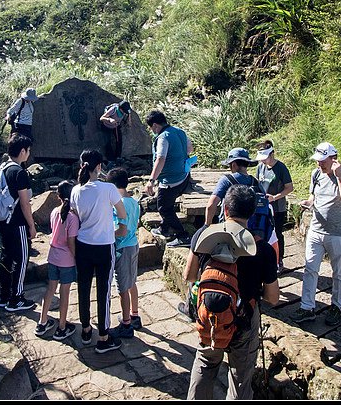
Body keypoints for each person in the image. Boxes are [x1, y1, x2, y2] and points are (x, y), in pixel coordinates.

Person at [185, 185, 280, 400]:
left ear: (225, 209)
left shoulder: (203, 235)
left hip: (210, 315)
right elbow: (273, 298)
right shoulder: (262, 249)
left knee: (205, 364)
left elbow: (190, 276)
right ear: (252, 213)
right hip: (245, 320)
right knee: (240, 378)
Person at [291, 142, 341, 326]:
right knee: (310, 268)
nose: (320, 164)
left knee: (339, 272)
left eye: (323, 161)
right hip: (316, 229)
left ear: (333, 159)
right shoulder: (316, 174)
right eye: (318, 161)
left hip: (338, 232)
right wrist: (308, 202)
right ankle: (307, 307)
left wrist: (339, 177)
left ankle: (337, 306)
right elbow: (314, 196)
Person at [71, 149, 129, 353]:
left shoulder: (75, 191)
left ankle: (86, 329)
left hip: (83, 245)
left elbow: (77, 216)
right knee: (104, 291)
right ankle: (103, 337)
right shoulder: (109, 189)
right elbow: (122, 213)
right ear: (99, 167)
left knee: (83, 288)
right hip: (104, 245)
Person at [0, 133, 38, 312]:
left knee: (7, 256)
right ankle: (16, 298)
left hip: (3, 220)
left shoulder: (4, 168)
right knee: (21, 258)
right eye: (28, 150)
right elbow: (24, 202)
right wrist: (31, 225)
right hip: (17, 222)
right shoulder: (19, 172)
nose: (28, 154)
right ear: (22, 151)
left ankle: (4, 296)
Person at [35, 180, 79, 341]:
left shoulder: (54, 212)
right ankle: (62, 326)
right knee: (65, 292)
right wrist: (76, 258)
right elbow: (70, 241)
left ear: (58, 196)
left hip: (52, 257)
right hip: (66, 260)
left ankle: (42, 321)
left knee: (50, 289)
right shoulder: (73, 218)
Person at [144, 110, 194, 248]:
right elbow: (189, 148)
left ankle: (182, 236)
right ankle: (164, 228)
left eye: (151, 128)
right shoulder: (179, 131)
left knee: (164, 208)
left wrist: (151, 181)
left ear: (154, 125)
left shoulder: (163, 137)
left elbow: (160, 159)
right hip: (184, 175)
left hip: (171, 180)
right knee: (168, 203)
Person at [107, 167, 143, 339]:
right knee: (132, 282)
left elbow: (121, 231)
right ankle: (135, 315)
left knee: (122, 287)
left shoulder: (119, 204)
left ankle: (126, 323)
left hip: (123, 248)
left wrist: (106, 234)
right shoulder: (134, 202)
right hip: (134, 244)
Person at [256, 140, 294, 271]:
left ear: (271, 154)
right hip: (263, 206)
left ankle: (279, 260)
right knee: (262, 231)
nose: (263, 161)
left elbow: (289, 188)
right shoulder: (260, 167)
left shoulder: (281, 168)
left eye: (265, 158)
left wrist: (275, 197)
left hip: (278, 207)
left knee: (277, 233)